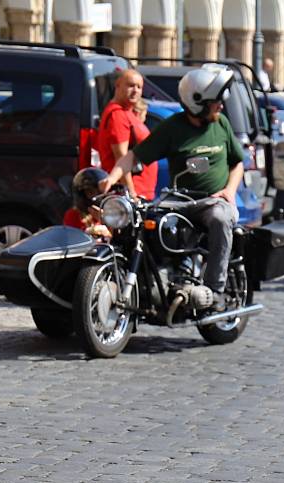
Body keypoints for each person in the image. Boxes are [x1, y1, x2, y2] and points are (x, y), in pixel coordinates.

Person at [98, 64, 244, 312]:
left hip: (213, 201)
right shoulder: (173, 127)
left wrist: (229, 191)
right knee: (146, 220)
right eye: (215, 101)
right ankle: (158, 281)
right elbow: (134, 155)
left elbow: (237, 162)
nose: (220, 105)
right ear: (197, 102)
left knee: (220, 218)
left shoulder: (221, 125)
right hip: (179, 199)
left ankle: (216, 291)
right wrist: (112, 176)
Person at [96, 69, 158, 201]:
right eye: (130, 85)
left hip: (141, 191)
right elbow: (121, 158)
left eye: (139, 87)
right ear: (118, 85)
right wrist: (131, 194)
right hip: (131, 194)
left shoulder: (126, 112)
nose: (135, 90)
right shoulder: (117, 114)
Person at [63, 167, 111, 240]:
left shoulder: (114, 212)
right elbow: (71, 240)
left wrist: (106, 223)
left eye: (100, 191)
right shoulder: (73, 215)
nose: (98, 195)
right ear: (82, 194)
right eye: (90, 192)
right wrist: (89, 232)